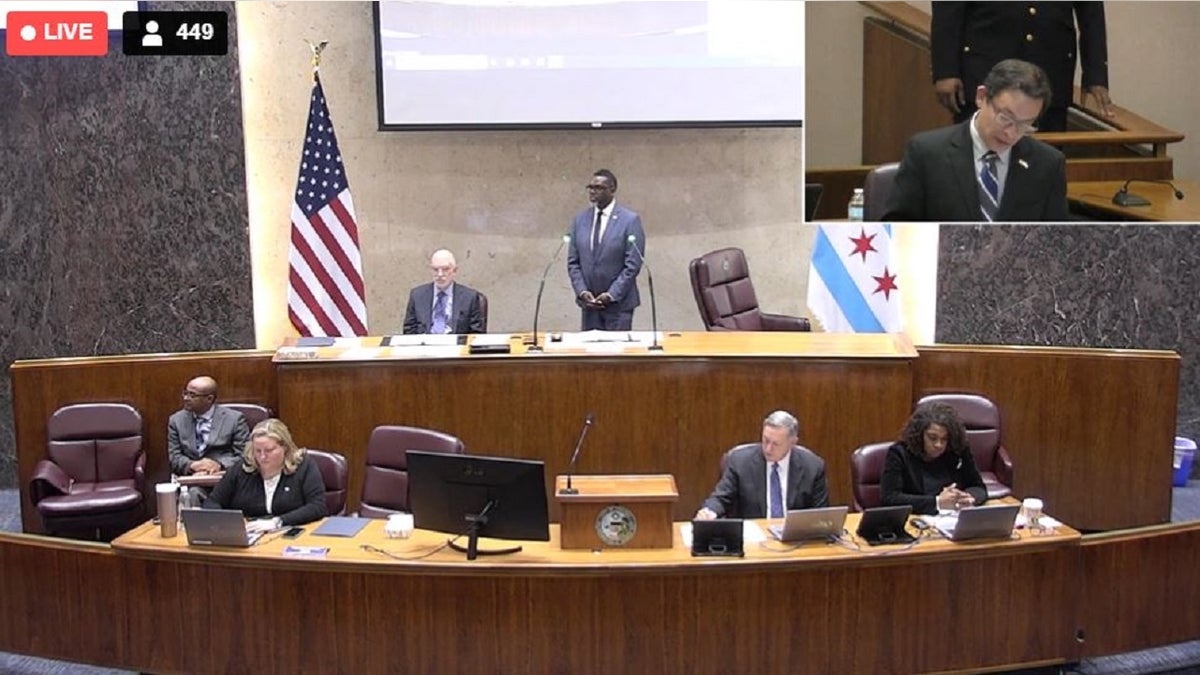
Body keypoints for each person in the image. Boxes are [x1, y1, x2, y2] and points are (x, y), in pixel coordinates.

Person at [882, 58, 1069, 223]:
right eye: (1005, 118)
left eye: (1025, 125)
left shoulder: (1048, 164)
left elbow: (1054, 243)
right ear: (981, 97)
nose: (1011, 133)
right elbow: (898, 229)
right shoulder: (926, 153)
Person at [930, 2, 1112, 133]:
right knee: (977, 159)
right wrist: (946, 70)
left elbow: (1091, 12)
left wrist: (1095, 74)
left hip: (1050, 67)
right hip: (986, 63)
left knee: (1043, 167)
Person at [695, 410, 829, 520]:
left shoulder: (813, 467)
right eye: (765, 441)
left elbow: (822, 515)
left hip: (796, 542)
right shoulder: (740, 462)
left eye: (776, 444)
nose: (768, 449)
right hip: (754, 542)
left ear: (792, 442)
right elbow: (721, 497)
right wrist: (709, 511)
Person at [203, 418, 328, 530]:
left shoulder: (304, 466)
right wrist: (230, 524)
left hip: (291, 533)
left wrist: (278, 522)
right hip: (250, 533)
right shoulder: (242, 468)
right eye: (257, 450)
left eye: (269, 450)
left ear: (285, 447)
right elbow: (212, 502)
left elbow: (317, 507)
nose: (262, 457)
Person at [566, 169, 645, 331]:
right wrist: (582, 291)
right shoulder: (580, 220)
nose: (593, 191)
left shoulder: (630, 220)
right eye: (591, 187)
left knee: (615, 354)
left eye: (599, 187)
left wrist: (611, 294)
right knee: (591, 355)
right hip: (589, 306)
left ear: (612, 189)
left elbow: (632, 265)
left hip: (618, 306)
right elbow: (573, 262)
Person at [880, 401, 988, 515]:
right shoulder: (899, 453)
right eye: (932, 438)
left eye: (944, 439)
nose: (939, 445)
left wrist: (969, 498)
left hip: (953, 519)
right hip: (916, 519)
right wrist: (937, 502)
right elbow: (889, 498)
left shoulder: (957, 449)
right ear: (919, 435)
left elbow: (978, 487)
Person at [167, 376, 250, 478]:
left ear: (209, 399)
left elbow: (244, 454)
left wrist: (218, 465)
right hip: (192, 477)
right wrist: (193, 465)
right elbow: (175, 457)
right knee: (194, 492)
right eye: (185, 393)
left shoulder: (234, 419)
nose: (186, 398)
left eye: (192, 395)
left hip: (224, 477)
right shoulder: (176, 420)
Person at [402, 249, 486, 334]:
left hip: (455, 345)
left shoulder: (469, 297)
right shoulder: (417, 296)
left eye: (445, 269)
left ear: (455, 271)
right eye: (435, 269)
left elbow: (476, 335)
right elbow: (409, 331)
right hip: (425, 345)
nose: (440, 274)